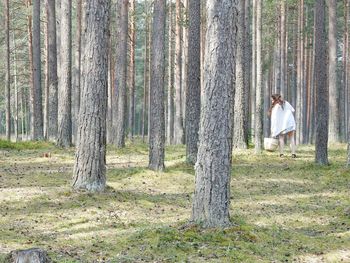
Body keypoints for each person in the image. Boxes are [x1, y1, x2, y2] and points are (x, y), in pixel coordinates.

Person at [268, 94, 297, 158]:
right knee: (291, 138)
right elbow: (293, 110)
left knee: (281, 139)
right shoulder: (286, 103)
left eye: (272, 100)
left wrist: (272, 130)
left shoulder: (275, 107)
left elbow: (274, 120)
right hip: (290, 123)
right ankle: (293, 154)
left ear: (275, 100)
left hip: (282, 126)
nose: (272, 101)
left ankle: (281, 154)